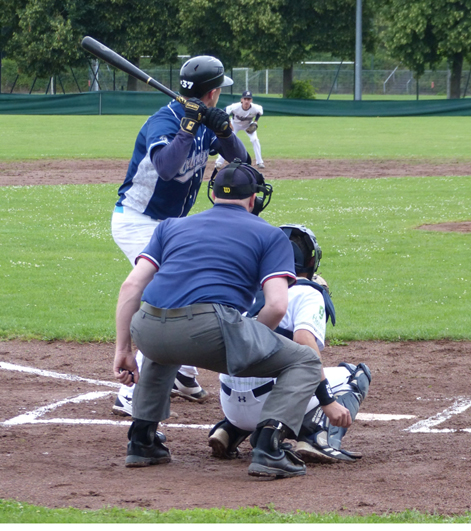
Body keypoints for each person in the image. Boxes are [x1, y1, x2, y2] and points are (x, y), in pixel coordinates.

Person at [113, 160, 346, 479]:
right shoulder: (269, 234)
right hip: (210, 326)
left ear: (213, 195)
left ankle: (141, 441)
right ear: (254, 199)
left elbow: (131, 287)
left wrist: (123, 349)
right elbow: (277, 306)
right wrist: (250, 338)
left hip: (148, 326)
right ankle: (269, 447)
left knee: (163, 349)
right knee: (304, 360)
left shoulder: (171, 226)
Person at [111, 55, 251, 417]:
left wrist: (224, 132)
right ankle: (131, 394)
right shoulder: (164, 121)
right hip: (137, 219)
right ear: (214, 92)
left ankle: (184, 375)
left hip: (171, 225)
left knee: (193, 285)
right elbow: (167, 167)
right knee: (167, 291)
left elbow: (243, 164)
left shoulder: (206, 120)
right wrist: (186, 130)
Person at [208, 224, 371, 464]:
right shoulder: (307, 292)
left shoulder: (241, 286)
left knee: (254, 361)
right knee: (354, 375)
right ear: (310, 259)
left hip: (231, 401)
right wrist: (327, 401)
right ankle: (319, 436)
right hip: (271, 403)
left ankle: (230, 430)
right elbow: (304, 343)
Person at [215, 90, 265, 169]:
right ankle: (218, 162)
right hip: (234, 124)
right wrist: (229, 123)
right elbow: (225, 111)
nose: (246, 101)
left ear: (251, 100)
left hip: (248, 125)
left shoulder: (256, 108)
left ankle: (260, 162)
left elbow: (260, 112)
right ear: (241, 100)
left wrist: (255, 122)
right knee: (227, 141)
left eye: (248, 99)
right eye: (245, 99)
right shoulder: (235, 106)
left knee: (254, 140)